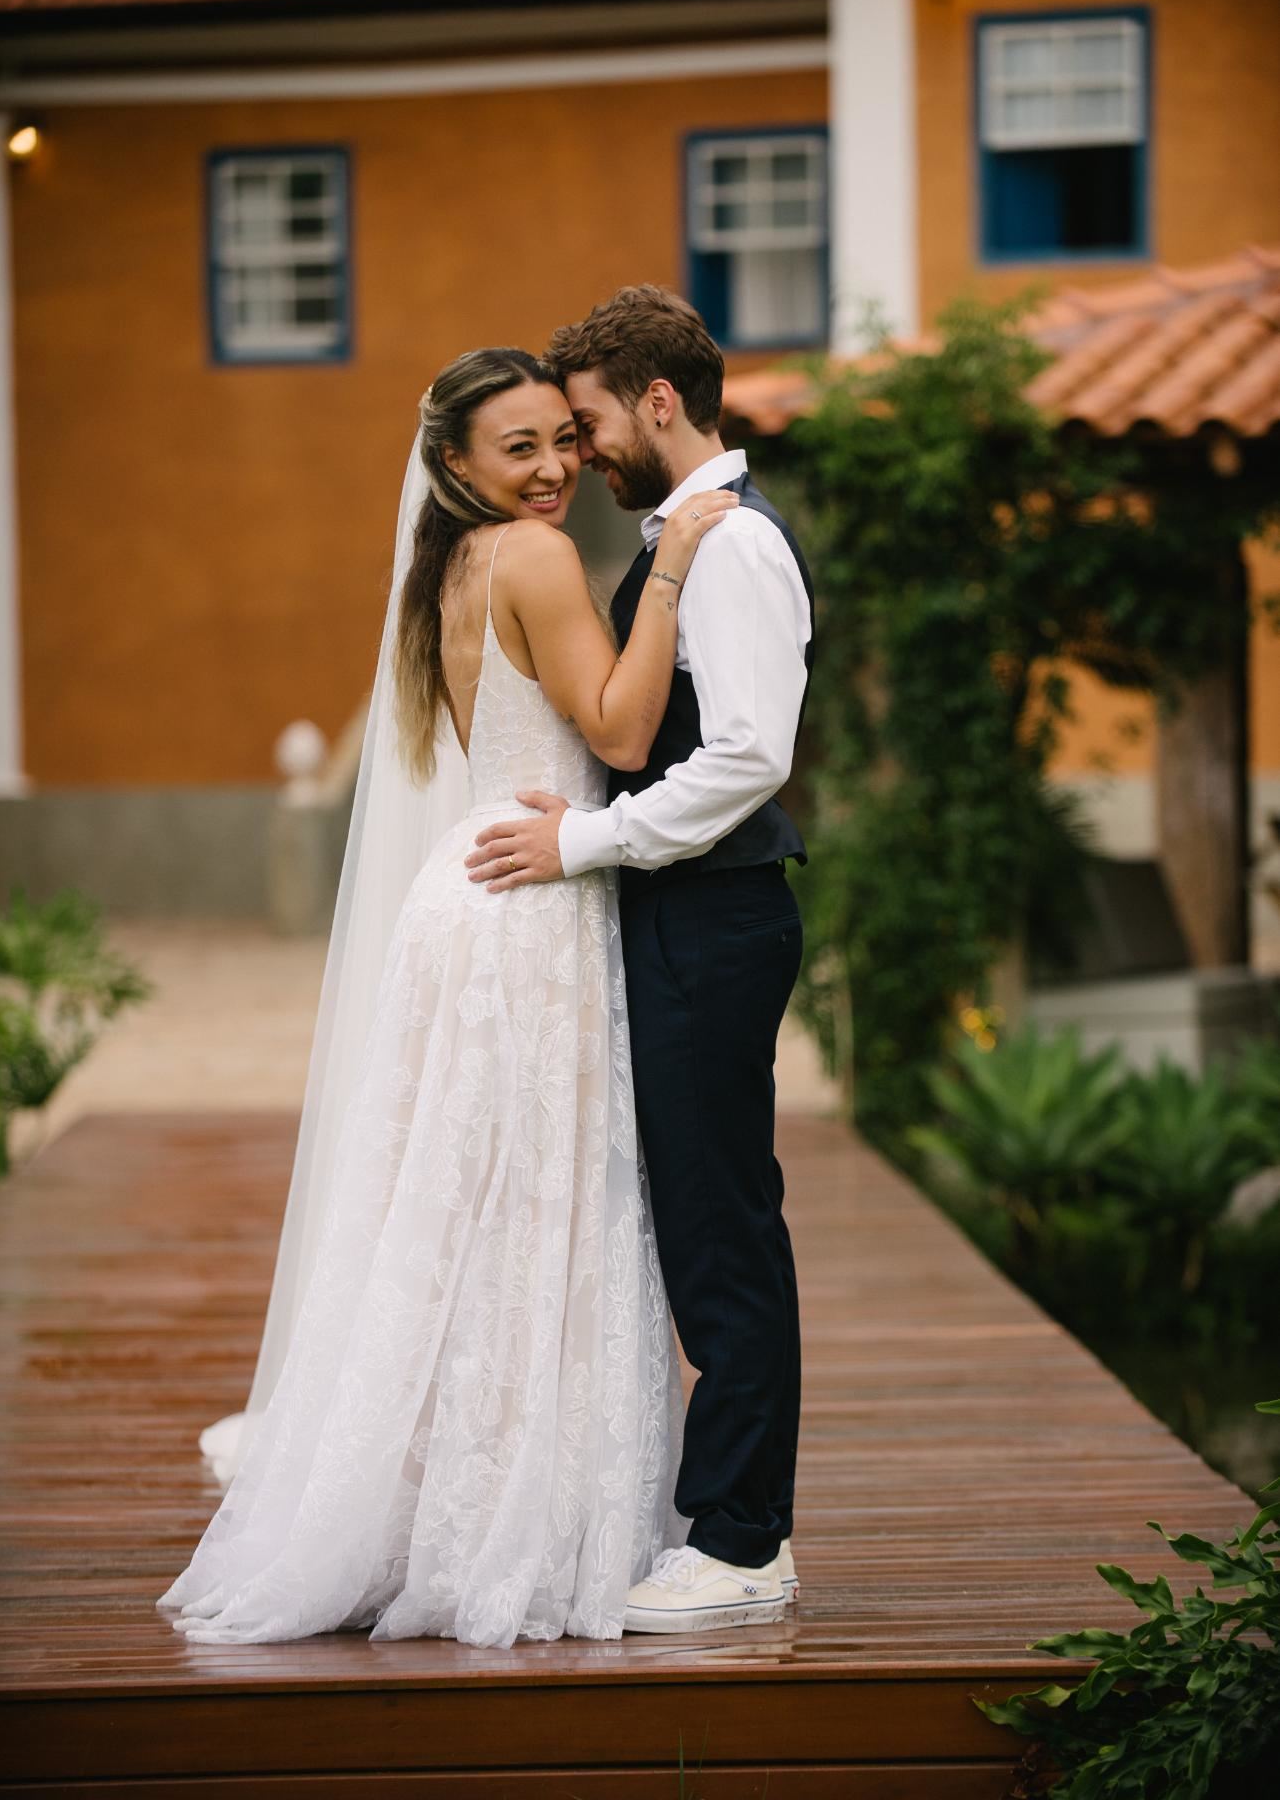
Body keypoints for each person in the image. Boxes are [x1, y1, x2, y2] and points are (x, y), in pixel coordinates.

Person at [156, 346, 736, 1648]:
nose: (547, 470)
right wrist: (679, 566)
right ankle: (502, 1529)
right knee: (530, 1216)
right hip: (529, 913)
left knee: (458, 1220)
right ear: (458, 466)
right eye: (514, 448)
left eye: (557, 441)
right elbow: (623, 734)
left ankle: (434, 1510)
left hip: (463, 901)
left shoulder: (447, 565)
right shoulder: (532, 559)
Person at [463, 287, 815, 1635]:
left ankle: (742, 1542)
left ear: (656, 401)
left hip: (715, 919)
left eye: (593, 418)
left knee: (723, 1229)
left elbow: (746, 757)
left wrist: (588, 843)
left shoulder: (727, 549)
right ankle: (724, 1518)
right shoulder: (685, 535)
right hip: (686, 915)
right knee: (697, 1222)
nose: (584, 450)